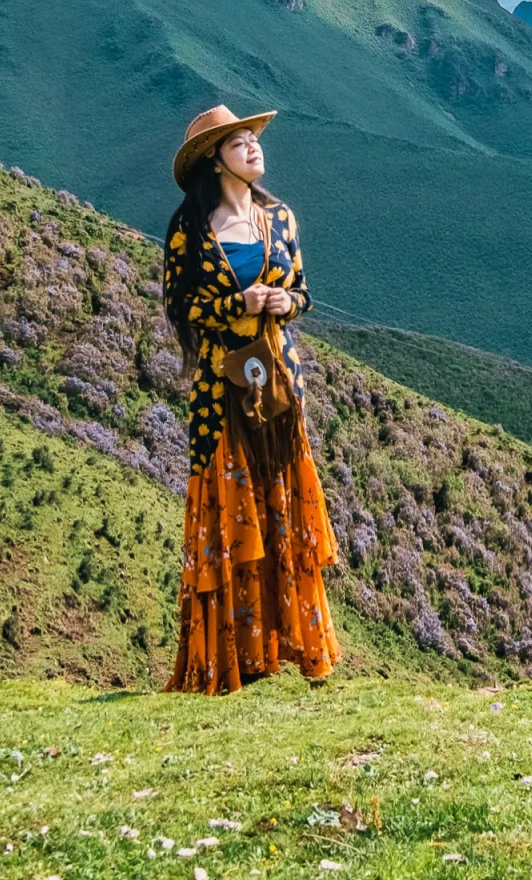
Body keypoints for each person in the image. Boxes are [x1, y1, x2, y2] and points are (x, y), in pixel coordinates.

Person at [162, 103, 340, 695]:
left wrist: (285, 305)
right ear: (215, 159)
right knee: (230, 503)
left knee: (279, 500)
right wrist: (236, 306)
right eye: (238, 143)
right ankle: (233, 658)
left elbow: (304, 293)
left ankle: (292, 647)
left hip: (278, 382)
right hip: (219, 387)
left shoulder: (281, 218)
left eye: (253, 139)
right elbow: (179, 305)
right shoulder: (190, 228)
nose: (253, 149)